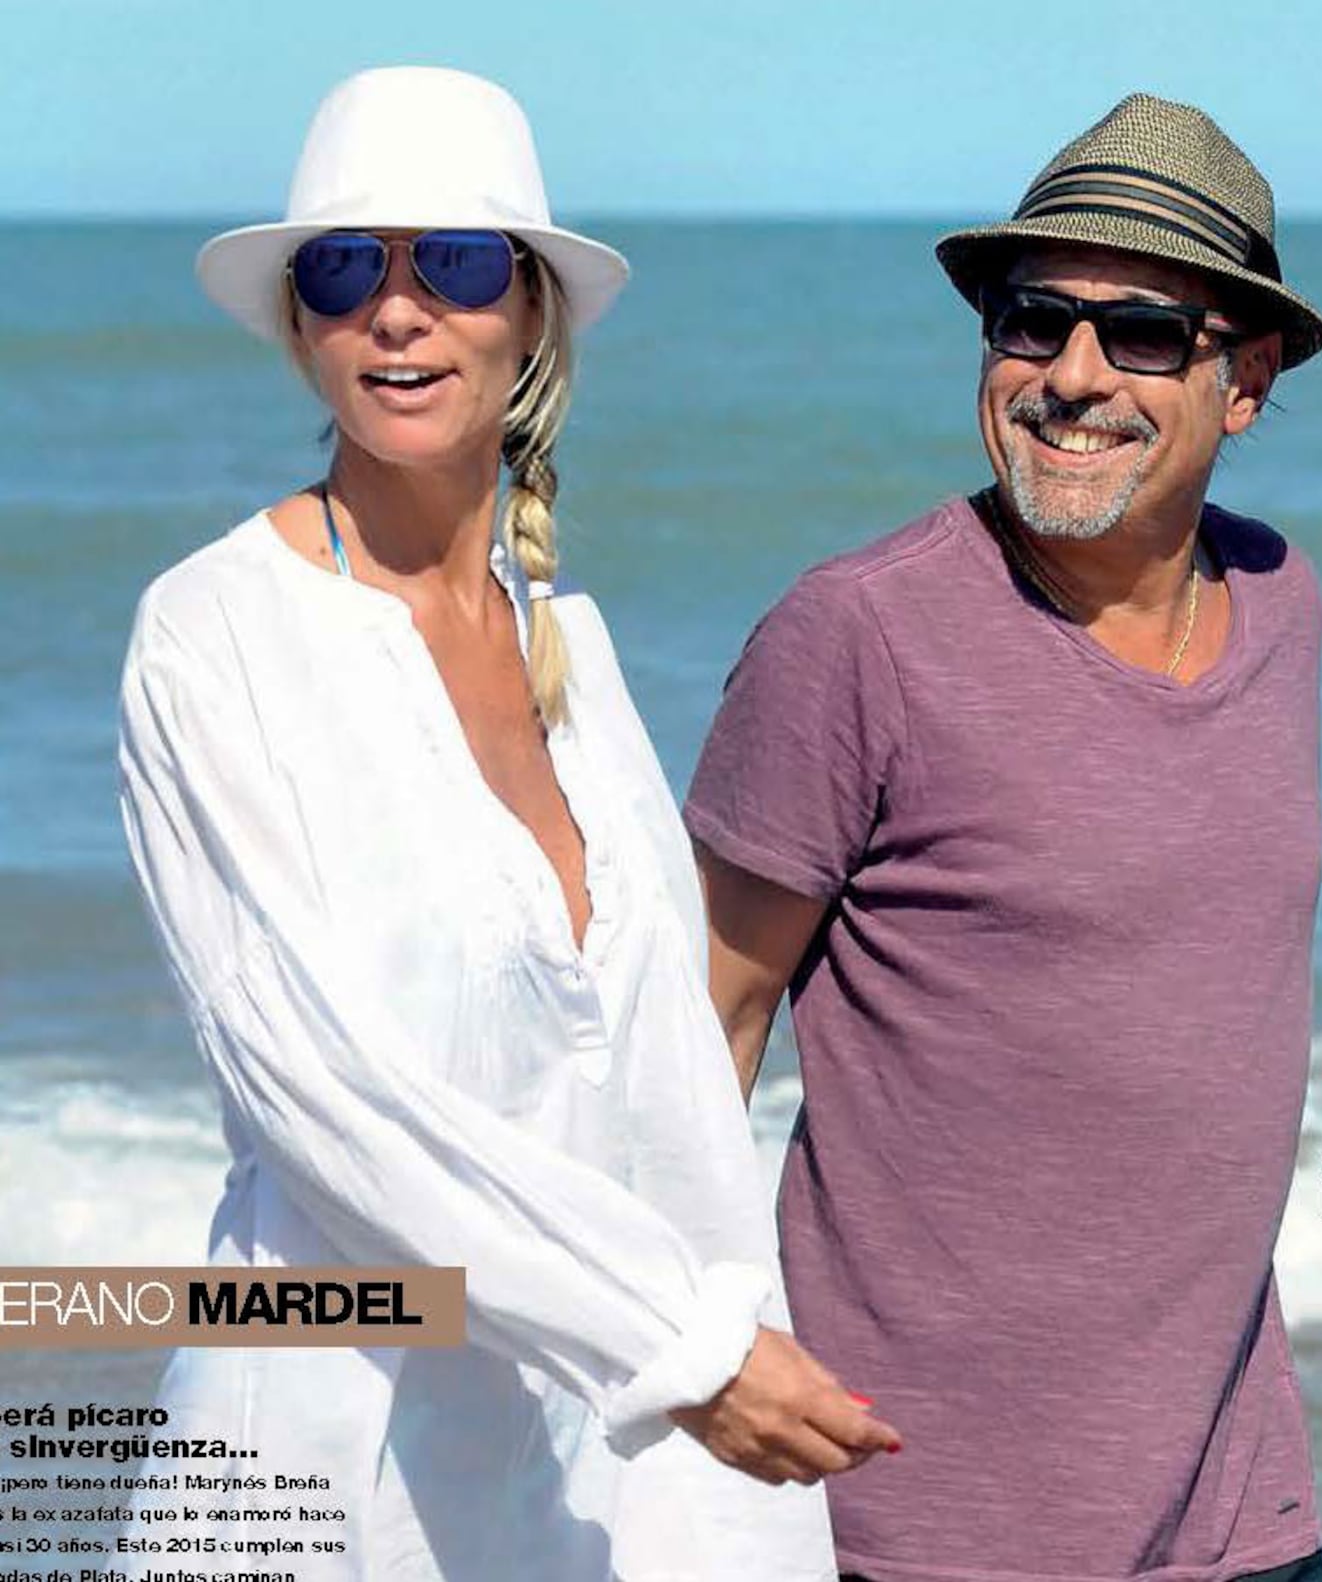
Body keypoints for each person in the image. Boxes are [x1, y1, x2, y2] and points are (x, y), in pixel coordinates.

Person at [117, 66, 897, 1582]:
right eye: (348, 269)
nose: (398, 312)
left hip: (571, 1483)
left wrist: (737, 1504)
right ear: (301, 323)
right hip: (319, 1477)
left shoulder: (578, 656)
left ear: (530, 311)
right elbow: (323, 1094)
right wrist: (677, 1345)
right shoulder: (213, 635)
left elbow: (667, 1094)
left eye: (455, 263)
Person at [684, 94, 1322, 1582]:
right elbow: (694, 1032)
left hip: (1245, 1521)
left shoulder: (1283, 601)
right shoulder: (857, 636)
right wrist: (701, 1345)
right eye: (1033, 321)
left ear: (1247, 378)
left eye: (1147, 334)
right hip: (923, 1529)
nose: (1074, 376)